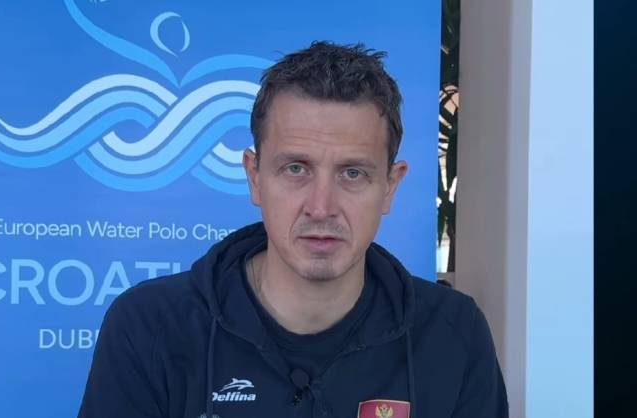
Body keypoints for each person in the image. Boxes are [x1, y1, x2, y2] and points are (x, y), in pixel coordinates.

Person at [78, 41, 508, 418]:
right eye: (296, 169)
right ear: (254, 177)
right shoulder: (150, 327)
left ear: (390, 187)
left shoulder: (454, 334)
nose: (321, 207)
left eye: (353, 173)